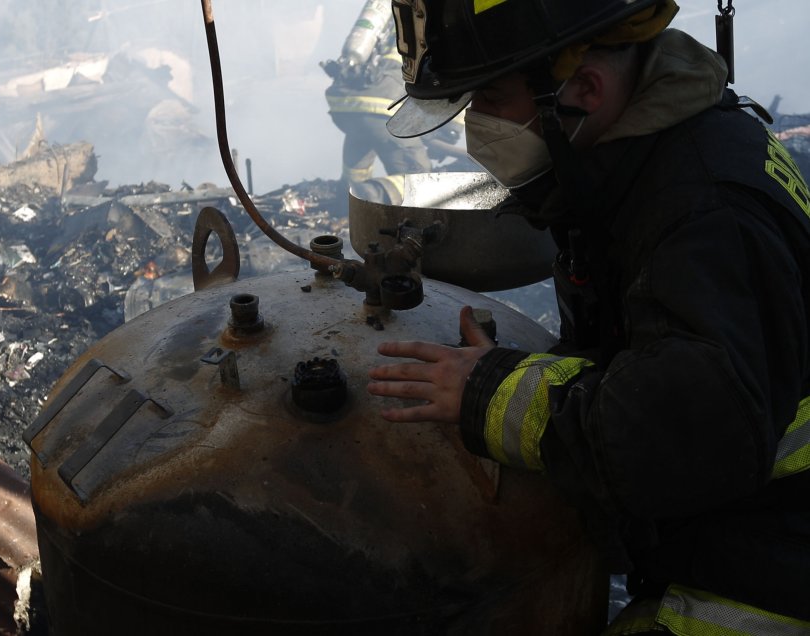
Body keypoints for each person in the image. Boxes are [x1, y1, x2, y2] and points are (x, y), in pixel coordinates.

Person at [367, 0, 810, 633]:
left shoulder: (704, 212)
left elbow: (690, 435)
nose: (476, 128)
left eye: (489, 98)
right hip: (735, 528)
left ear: (586, 87)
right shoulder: (633, 161)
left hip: (773, 569)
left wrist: (489, 392)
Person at [322, 0, 431, 203]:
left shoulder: (394, 15)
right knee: (421, 180)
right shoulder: (434, 18)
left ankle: (346, 203)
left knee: (360, 157)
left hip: (346, 104)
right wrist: (450, 130)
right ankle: (370, 196)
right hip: (382, 107)